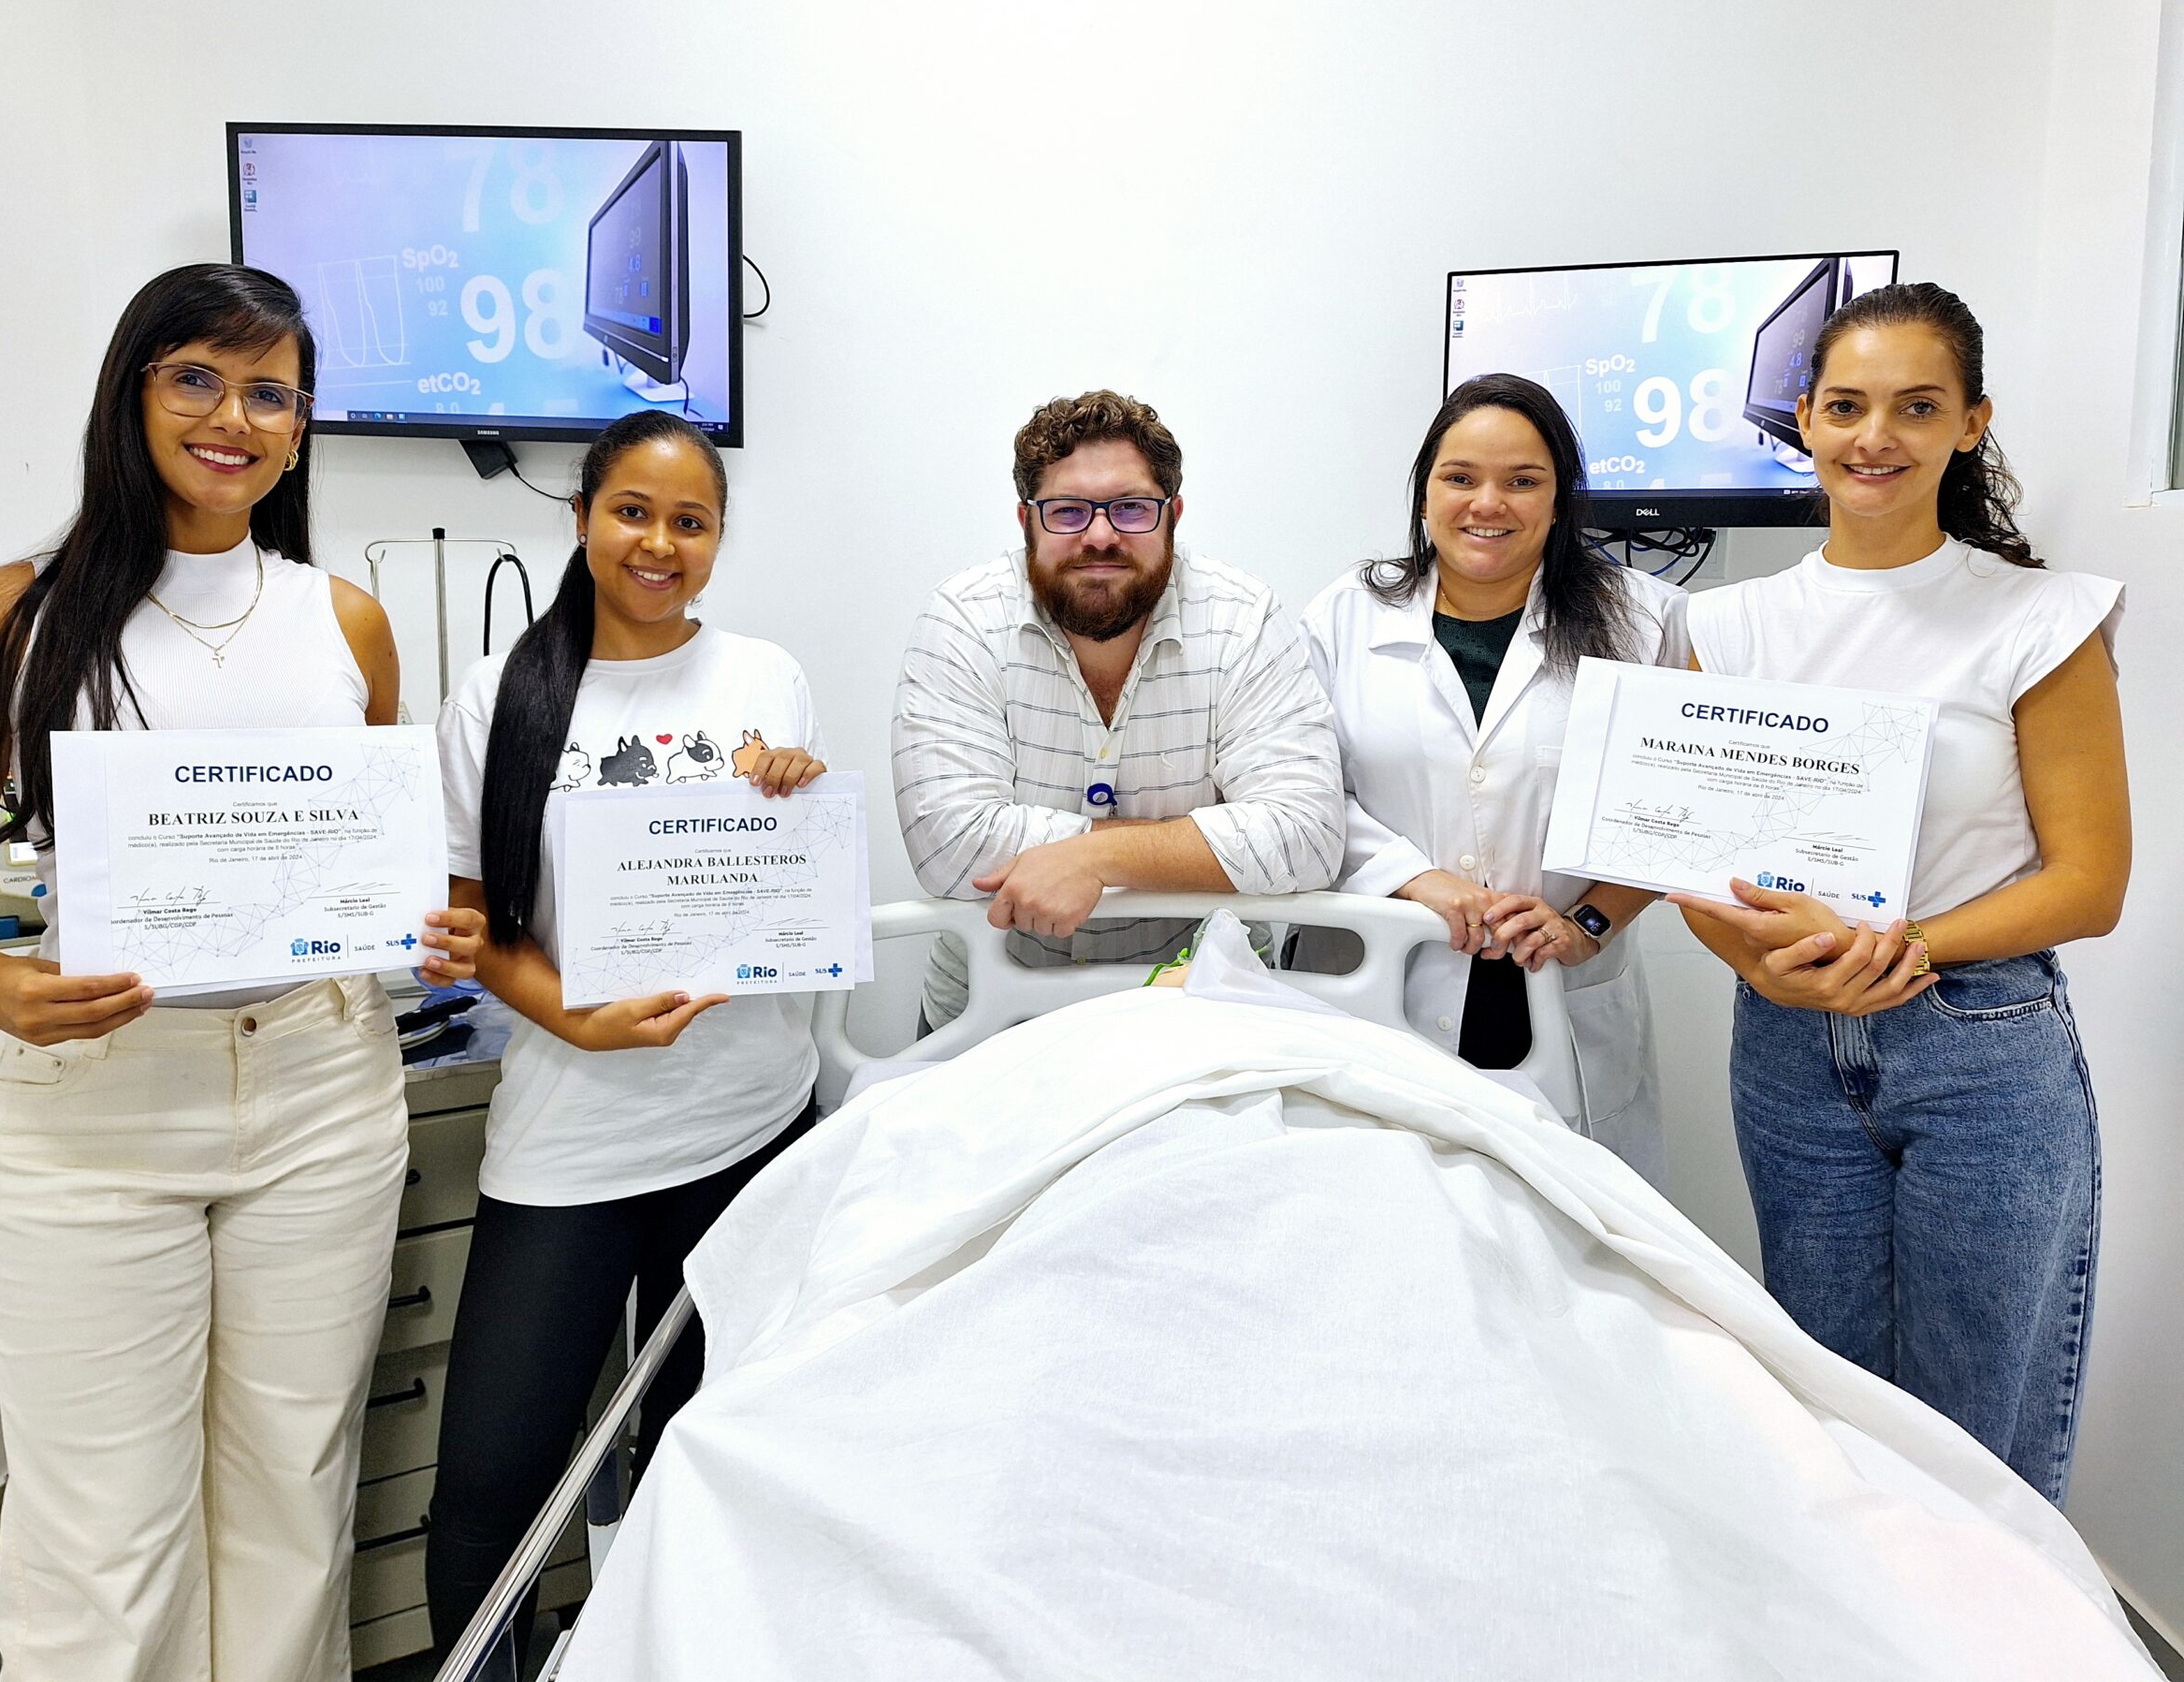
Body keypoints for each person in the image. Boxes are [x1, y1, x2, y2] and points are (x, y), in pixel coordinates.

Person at [0, 263, 484, 1681]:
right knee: (102, 1530)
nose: (234, 417)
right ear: (132, 392)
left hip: (325, 1088)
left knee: (292, 1487)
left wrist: (415, 918)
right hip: (95, 1104)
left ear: (302, 423)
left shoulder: (347, 621)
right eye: (195, 377)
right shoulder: (3, 616)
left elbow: (362, 855)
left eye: (269, 392)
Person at [1677, 282, 2128, 1504]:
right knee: (1831, 1434)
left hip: (1984, 1053)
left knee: (1978, 1454)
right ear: (1805, 423)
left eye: (1917, 406)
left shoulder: (2041, 618)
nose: (1877, 436)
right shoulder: (1723, 627)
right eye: (1848, 406)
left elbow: (2091, 884)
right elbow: (1692, 858)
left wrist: (1901, 944)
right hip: (1788, 1053)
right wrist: (1760, 962)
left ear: (1970, 422)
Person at [426, 410, 829, 1658]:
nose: (660, 543)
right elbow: (467, 921)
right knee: (493, 1486)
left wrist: (792, 803)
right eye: (633, 512)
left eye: (691, 521)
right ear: (586, 516)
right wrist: (577, 1023)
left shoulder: (765, 673)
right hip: (573, 1137)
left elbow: (792, 881)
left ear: (718, 537)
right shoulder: (500, 694)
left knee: (705, 1467)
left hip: (752, 1127)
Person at [1302, 373, 1686, 1178]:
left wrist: (1586, 924)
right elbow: (1301, 791)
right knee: (1375, 1218)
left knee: (1564, 1246)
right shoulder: (1344, 614)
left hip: (1559, 988)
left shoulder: (1644, 618)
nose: (1489, 503)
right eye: (1461, 478)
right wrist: (1418, 880)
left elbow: (1670, 811)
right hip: (1381, 976)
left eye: (1523, 481)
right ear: (1425, 492)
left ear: (1559, 501)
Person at [891, 389, 1344, 1030]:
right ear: (1026, 521)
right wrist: (1174, 847)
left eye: (1131, 509)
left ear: (1172, 516)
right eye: (1068, 511)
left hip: (1203, 1012)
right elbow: (952, 847)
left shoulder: (1243, 620)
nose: (1100, 535)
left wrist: (1092, 860)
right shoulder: (963, 620)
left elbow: (1307, 835)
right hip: (992, 1021)